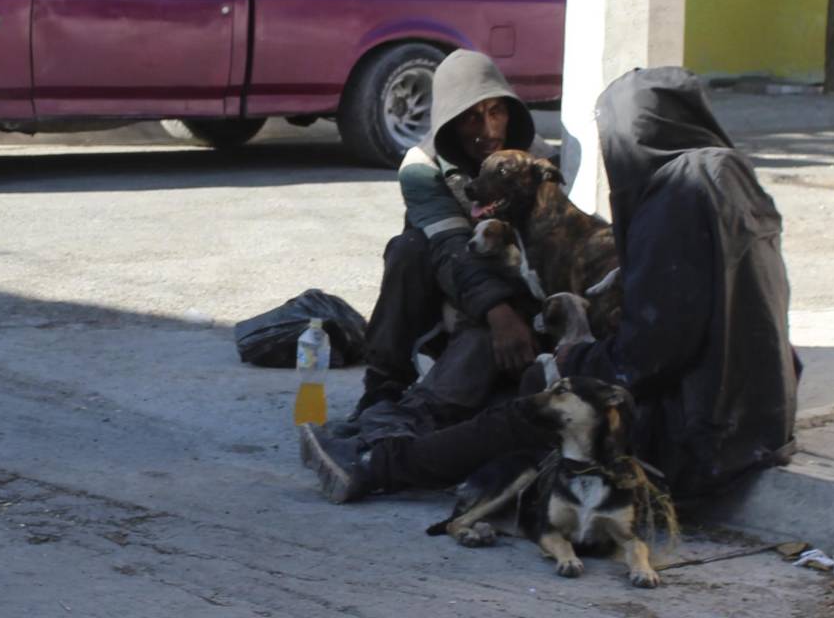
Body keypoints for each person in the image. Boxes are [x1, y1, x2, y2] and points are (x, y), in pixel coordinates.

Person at [302, 66, 800, 502]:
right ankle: (392, 407)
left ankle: (380, 466)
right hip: (764, 427)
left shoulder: (675, 202)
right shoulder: (731, 179)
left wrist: (576, 359)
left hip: (700, 441)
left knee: (535, 410)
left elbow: (649, 356)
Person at [350, 49, 555, 442]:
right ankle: (382, 388)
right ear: (448, 119)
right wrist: (498, 314)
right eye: (471, 116)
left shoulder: (536, 159)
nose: (488, 130)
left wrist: (520, 316)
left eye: (497, 112)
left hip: (516, 288)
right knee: (407, 247)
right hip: (448, 283)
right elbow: (450, 249)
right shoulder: (420, 167)